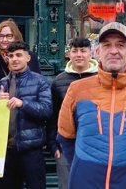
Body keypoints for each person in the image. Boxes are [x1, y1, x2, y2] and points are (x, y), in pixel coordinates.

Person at [57, 22, 126, 189]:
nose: (113, 51)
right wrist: (83, 168)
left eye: (120, 45)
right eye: (107, 45)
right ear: (97, 52)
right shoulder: (77, 90)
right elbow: (66, 137)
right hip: (85, 181)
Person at [0, 41, 52, 189]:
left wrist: (23, 104)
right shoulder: (3, 82)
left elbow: (47, 110)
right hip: (7, 150)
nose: (14, 59)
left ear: (28, 58)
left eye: (18, 55)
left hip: (31, 150)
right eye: (11, 56)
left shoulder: (40, 81)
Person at [48, 37, 98, 188]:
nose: (79, 55)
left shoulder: (102, 78)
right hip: (66, 145)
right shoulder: (58, 81)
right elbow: (53, 116)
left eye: (83, 51)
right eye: (75, 51)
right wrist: (54, 145)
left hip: (96, 145)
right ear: (69, 54)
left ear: (91, 53)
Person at [0, 19, 41, 85]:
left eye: (9, 36)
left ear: (16, 37)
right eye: (1, 36)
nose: (4, 40)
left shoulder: (30, 56)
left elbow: (38, 83)